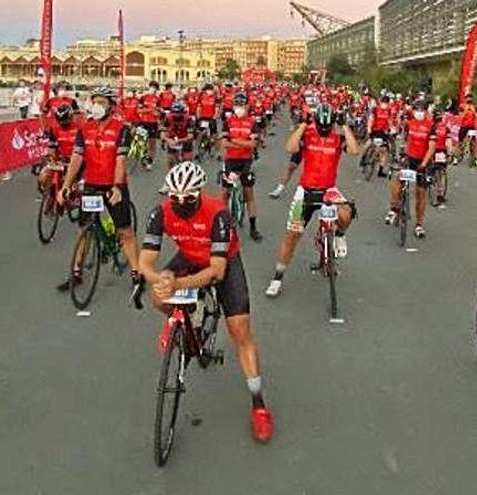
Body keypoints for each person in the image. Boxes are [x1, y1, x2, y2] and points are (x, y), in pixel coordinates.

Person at [140, 162, 274, 442]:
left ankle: (259, 405)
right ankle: (177, 318)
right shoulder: (160, 212)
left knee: (240, 332)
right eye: (174, 197)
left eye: (188, 198)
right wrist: (159, 278)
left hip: (222, 261)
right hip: (190, 257)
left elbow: (217, 271)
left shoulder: (218, 214)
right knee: (155, 294)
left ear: (199, 193)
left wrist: (177, 283)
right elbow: (146, 262)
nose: (180, 203)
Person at [265, 104, 358, 297]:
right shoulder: (308, 135)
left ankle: (339, 235)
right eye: (321, 126)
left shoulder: (337, 138)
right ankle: (277, 278)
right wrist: (302, 125)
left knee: (347, 212)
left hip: (328, 191)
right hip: (305, 192)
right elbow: (289, 147)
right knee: (292, 236)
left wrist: (345, 126)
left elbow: (355, 150)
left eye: (328, 127)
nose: (324, 131)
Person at [56, 87, 139, 290]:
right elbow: (77, 158)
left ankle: (137, 274)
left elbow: (121, 161)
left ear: (111, 106)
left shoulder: (122, 128)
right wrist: (65, 186)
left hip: (113, 185)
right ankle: (76, 273)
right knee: (84, 230)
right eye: (95, 101)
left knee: (125, 232)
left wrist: (118, 187)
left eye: (102, 102)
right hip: (92, 184)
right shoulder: (85, 128)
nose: (97, 106)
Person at [385, 100, 435, 238]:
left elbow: (431, 148)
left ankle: (419, 225)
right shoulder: (409, 124)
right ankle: (394, 208)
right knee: (397, 178)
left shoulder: (431, 126)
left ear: (426, 111)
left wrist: (424, 163)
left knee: (420, 193)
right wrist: (401, 153)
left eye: (422, 110)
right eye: (416, 109)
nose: (419, 112)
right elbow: (405, 139)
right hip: (409, 158)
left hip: (423, 161)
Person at [220, 93, 263, 242]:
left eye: (242, 105)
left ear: (247, 106)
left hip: (246, 161)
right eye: (236, 105)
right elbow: (224, 144)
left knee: (248, 194)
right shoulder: (228, 121)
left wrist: (234, 141)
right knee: (225, 193)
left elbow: (253, 145)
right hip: (230, 160)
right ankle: (222, 224)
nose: (239, 108)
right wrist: (243, 143)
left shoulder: (252, 122)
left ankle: (253, 228)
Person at [38, 104, 78, 192]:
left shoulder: (79, 128)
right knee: (43, 177)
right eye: (60, 121)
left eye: (65, 121)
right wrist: (51, 159)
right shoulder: (54, 128)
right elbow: (51, 146)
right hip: (61, 159)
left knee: (77, 186)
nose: (62, 123)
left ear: (71, 118)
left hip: (76, 159)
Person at [161, 102, 195, 169]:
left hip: (185, 138)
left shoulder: (188, 119)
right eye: (174, 113)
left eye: (179, 113)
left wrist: (179, 141)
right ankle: (170, 174)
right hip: (172, 138)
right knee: (170, 159)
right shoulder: (168, 118)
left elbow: (190, 136)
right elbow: (162, 133)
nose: (176, 115)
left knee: (187, 160)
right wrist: (168, 140)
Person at [367, 94, 393, 178]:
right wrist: (369, 130)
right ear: (380, 101)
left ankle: (380, 171)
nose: (385, 104)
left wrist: (391, 129)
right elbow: (371, 119)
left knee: (384, 150)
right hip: (374, 130)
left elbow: (390, 121)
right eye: (383, 102)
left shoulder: (388, 111)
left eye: (386, 102)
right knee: (368, 144)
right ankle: (364, 158)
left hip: (383, 132)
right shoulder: (375, 109)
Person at [137, 81, 162, 168]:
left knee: (152, 143)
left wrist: (157, 113)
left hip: (153, 123)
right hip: (143, 122)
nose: (152, 89)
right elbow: (138, 111)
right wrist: (149, 110)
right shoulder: (143, 98)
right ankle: (143, 156)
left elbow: (159, 113)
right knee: (141, 142)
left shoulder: (158, 99)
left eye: (154, 88)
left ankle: (150, 161)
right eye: (151, 87)